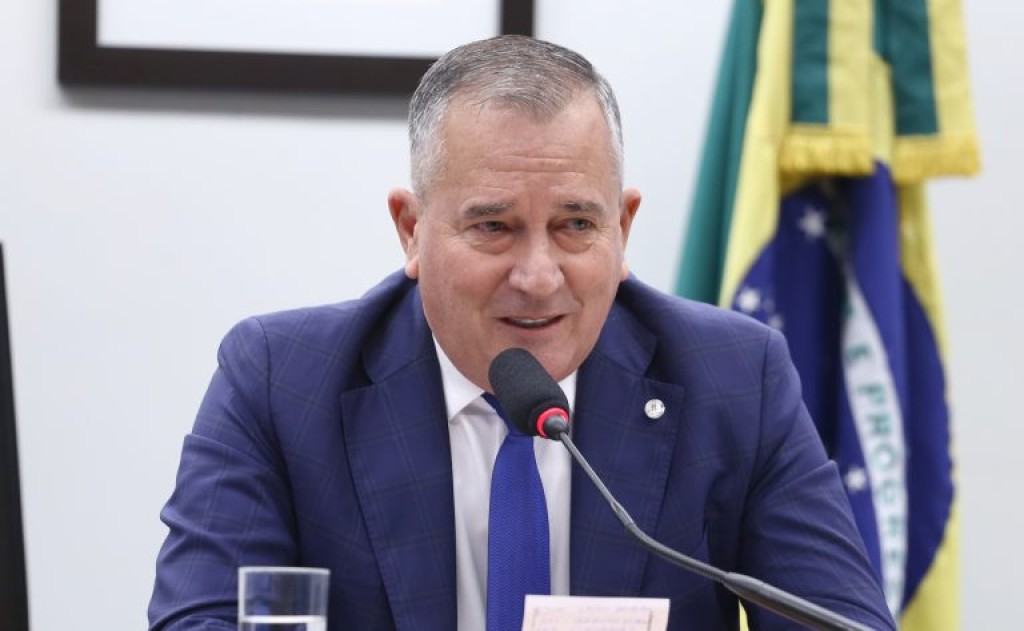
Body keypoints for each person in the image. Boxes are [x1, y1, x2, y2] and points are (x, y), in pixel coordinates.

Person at [148, 35, 896, 631]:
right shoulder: (282, 382)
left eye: (576, 225)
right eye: (494, 227)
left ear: (623, 226)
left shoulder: (734, 378)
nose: (539, 276)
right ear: (411, 229)